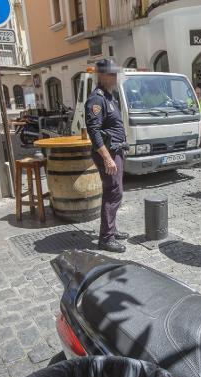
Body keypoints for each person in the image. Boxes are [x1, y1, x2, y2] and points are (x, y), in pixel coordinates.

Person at [85, 59, 129, 253]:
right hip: (109, 153)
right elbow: (93, 131)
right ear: (101, 75)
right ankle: (106, 238)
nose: (115, 77)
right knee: (113, 192)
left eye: (116, 73)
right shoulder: (97, 99)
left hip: (117, 150)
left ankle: (111, 229)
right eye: (111, 74)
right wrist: (107, 157)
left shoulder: (110, 97)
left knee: (115, 192)